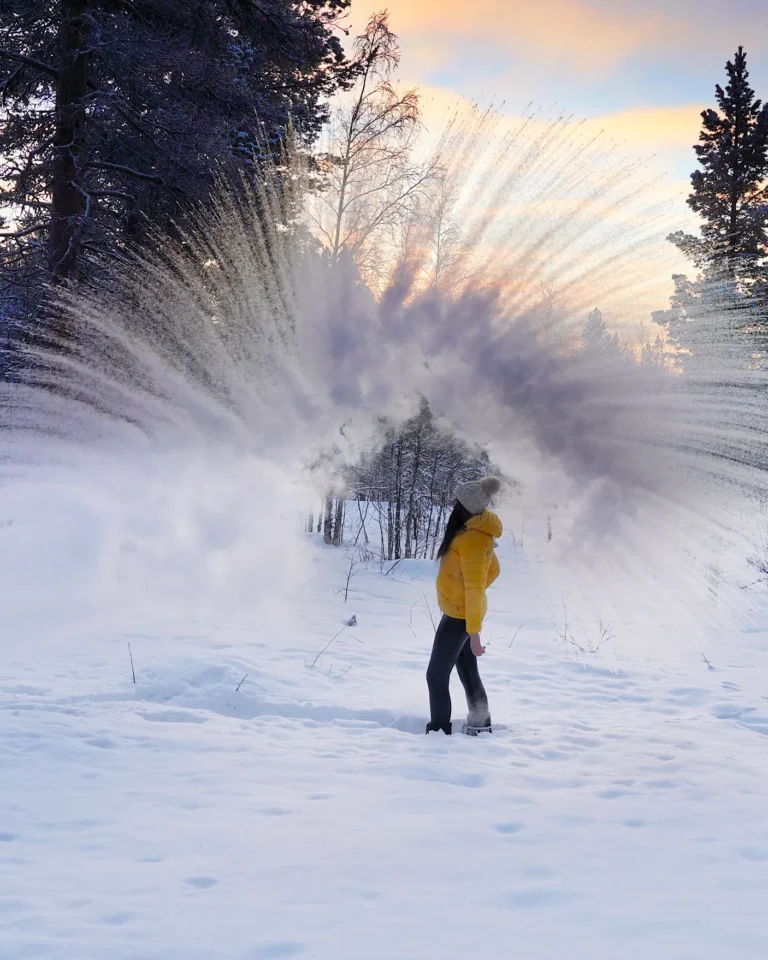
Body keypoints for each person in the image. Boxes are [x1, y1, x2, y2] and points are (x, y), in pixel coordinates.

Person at [426, 476, 502, 736]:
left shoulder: (472, 539)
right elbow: (492, 571)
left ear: (466, 507)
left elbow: (475, 586)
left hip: (460, 618)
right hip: (461, 614)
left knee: (435, 676)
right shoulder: (474, 533)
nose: (452, 501)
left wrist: (474, 633)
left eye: (456, 499)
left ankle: (438, 731)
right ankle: (480, 725)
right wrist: (467, 592)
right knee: (467, 671)